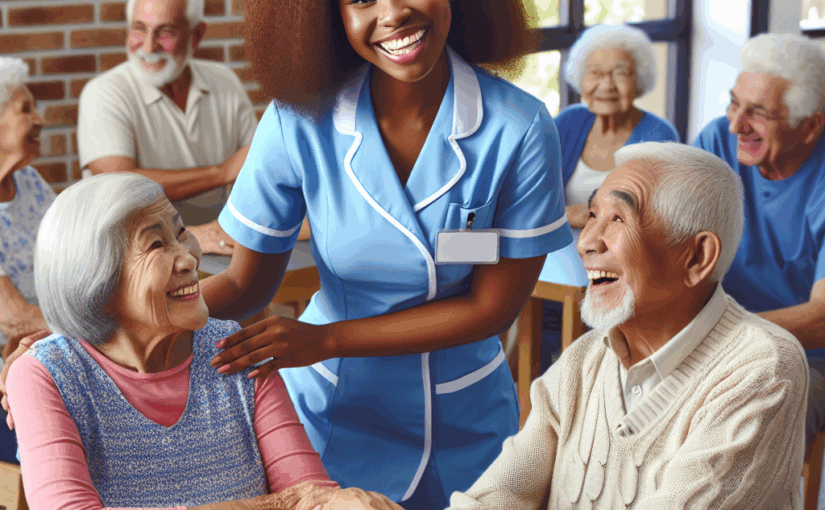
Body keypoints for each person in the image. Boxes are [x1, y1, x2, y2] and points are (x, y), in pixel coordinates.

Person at [201, 0, 572, 508]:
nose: (393, 13)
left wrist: (327, 339)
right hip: (331, 418)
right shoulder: (296, 121)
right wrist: (116, 318)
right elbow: (244, 286)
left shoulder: (519, 126)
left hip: (466, 426)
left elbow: (492, 308)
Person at [4, 172, 403, 510]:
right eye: (156, 244)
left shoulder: (233, 348)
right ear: (98, 283)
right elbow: (296, 500)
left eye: (181, 232)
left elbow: (311, 495)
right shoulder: (47, 375)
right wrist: (276, 504)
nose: (189, 258)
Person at [447, 142, 809, 510]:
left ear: (697, 257)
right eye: (592, 215)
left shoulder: (764, 370)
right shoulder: (583, 360)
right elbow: (499, 493)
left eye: (619, 219)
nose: (586, 242)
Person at [692, 33, 825, 445]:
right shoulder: (718, 141)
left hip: (806, 357)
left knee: (737, 426)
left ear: (811, 125)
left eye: (759, 113)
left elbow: (821, 320)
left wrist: (707, 335)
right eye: (734, 103)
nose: (736, 125)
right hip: (714, 339)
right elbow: (670, 235)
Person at [77, 0, 256, 256]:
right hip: (136, 256)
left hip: (220, 245)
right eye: (139, 29)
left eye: (166, 32)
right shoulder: (104, 93)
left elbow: (255, 164)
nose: (149, 47)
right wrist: (221, 173)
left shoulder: (225, 81)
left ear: (196, 35)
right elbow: (119, 182)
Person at [558, 24, 679, 232]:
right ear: (581, 78)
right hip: (557, 246)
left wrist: (571, 215)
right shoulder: (568, 122)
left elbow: (650, 215)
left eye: (620, 74)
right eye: (595, 73)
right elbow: (531, 193)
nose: (607, 86)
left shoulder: (659, 136)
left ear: (638, 81)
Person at [0, 56, 52, 465]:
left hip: (42, 347)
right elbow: (13, 318)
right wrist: (104, 321)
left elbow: (77, 252)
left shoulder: (29, 182)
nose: (39, 120)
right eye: (25, 110)